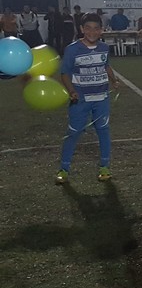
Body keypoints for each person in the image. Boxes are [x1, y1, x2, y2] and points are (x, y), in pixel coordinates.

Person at [56, 13, 120, 185]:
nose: (92, 32)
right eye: (88, 28)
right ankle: (64, 169)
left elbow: (106, 65)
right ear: (82, 29)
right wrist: (71, 91)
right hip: (80, 100)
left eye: (96, 28)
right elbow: (65, 73)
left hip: (101, 98)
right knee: (73, 132)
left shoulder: (104, 48)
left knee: (103, 131)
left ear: (101, 30)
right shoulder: (72, 49)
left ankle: (104, 167)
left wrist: (113, 80)